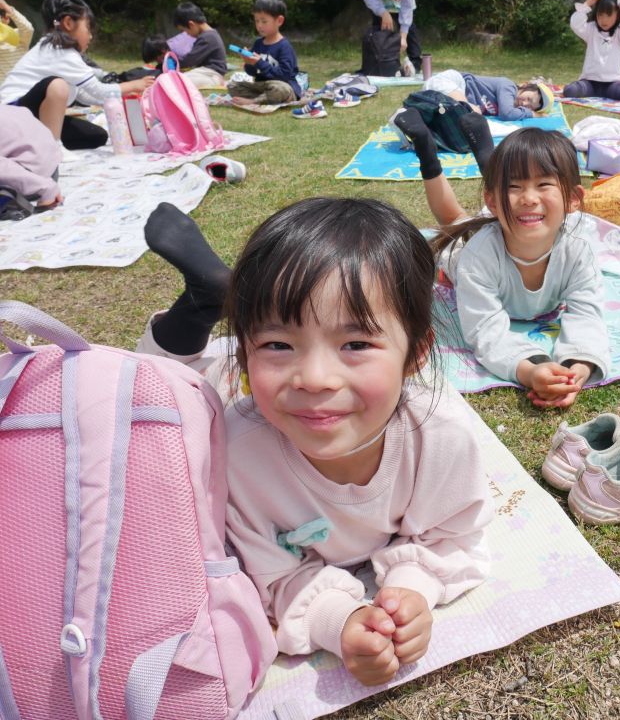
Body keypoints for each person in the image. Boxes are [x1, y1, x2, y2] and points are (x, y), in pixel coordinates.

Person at [135, 199, 493, 687]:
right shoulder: (236, 452)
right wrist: (336, 620)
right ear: (247, 351)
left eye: (356, 344)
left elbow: (450, 535)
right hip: (223, 385)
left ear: (416, 355)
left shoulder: (441, 437)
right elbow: (272, 575)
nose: (316, 378)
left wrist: (413, 588)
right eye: (278, 344)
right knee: (165, 399)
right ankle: (204, 302)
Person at [429, 128, 610, 409]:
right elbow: (485, 330)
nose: (528, 197)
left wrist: (576, 370)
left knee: (469, 221)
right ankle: (429, 153)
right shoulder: (477, 258)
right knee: (454, 223)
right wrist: (531, 369)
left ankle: (485, 153)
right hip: (460, 259)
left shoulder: (578, 252)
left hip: (503, 229)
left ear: (573, 198)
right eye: (514, 187)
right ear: (492, 201)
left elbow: (588, 316)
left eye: (543, 184)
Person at [0, 0, 153, 150]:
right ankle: (52, 149)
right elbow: (99, 90)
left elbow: (85, 94)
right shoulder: (59, 51)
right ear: (68, 23)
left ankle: (34, 146)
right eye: (88, 28)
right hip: (15, 113)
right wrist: (135, 85)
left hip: (36, 118)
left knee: (96, 137)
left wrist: (119, 97)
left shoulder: (64, 53)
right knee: (57, 86)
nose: (91, 37)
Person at [563, 0, 620, 101]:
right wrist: (587, 4)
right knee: (569, 91)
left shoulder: (619, 33)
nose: (604, 20)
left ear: (617, 15)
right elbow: (575, 24)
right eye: (600, 15)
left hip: (612, 84)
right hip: (589, 82)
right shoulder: (591, 29)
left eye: (608, 15)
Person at [228, 0, 301, 105]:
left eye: (264, 21)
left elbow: (284, 76)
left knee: (280, 89)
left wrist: (260, 63)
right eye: (257, 21)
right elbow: (252, 73)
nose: (259, 25)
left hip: (283, 86)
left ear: (279, 21)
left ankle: (254, 101)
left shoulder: (284, 46)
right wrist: (249, 63)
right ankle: (264, 98)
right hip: (262, 86)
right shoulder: (258, 43)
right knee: (233, 86)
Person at [0, 104, 61, 220]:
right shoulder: (12, 108)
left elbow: (4, 168)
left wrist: (45, 188)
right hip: (51, 167)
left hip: (31, 179)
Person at [420, 68, 554, 121]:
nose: (525, 104)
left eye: (530, 106)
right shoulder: (509, 86)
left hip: (442, 97)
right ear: (525, 86)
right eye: (529, 98)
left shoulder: (510, 103)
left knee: (448, 118)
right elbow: (507, 114)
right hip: (450, 82)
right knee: (472, 113)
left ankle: (411, 114)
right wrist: (532, 114)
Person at [361, 0, 420, 77]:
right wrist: (383, 13)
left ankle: (415, 64)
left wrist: (403, 36)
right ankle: (380, 65)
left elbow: (407, 4)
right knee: (379, 36)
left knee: (410, 32)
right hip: (378, 1)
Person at [173, 2, 227, 89]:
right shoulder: (209, 35)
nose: (187, 34)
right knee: (179, 78)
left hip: (212, 75)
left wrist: (175, 62)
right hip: (206, 73)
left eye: (185, 31)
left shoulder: (207, 38)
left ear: (191, 24)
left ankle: (216, 83)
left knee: (178, 81)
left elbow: (190, 60)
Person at [0, 0, 34, 81]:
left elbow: (28, 29)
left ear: (6, 19)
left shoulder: (17, 36)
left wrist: (6, 7)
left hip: (21, 90)